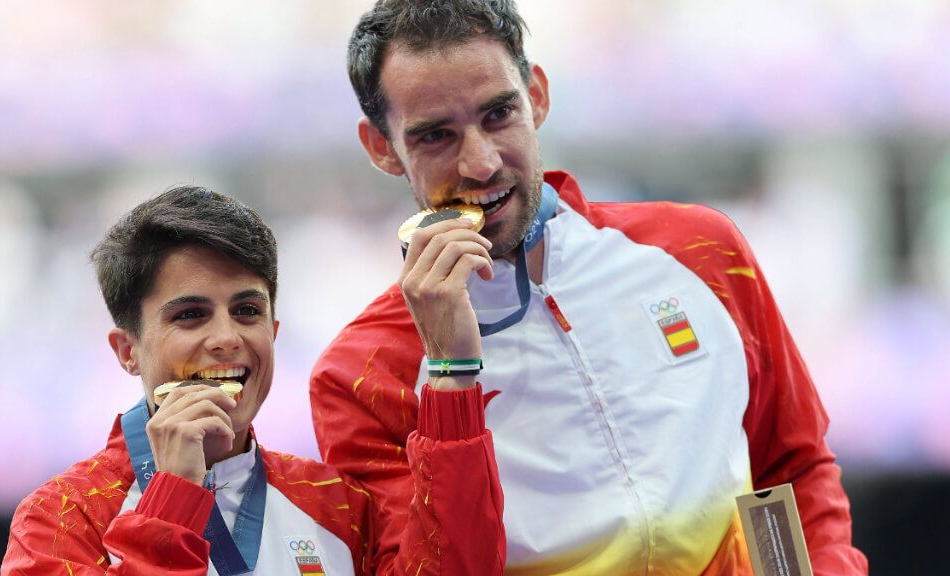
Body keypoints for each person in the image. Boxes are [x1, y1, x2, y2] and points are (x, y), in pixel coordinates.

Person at [310, 1, 868, 574]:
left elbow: (791, 471)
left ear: (538, 97)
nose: (480, 163)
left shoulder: (700, 251)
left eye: (499, 114)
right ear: (381, 148)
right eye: (436, 137)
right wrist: (451, 377)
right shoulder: (360, 375)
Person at [1, 186, 505, 575]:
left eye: (247, 310)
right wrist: (172, 494)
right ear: (127, 351)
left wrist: (452, 371)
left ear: (274, 331)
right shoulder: (58, 521)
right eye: (190, 315)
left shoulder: (336, 502)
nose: (227, 338)